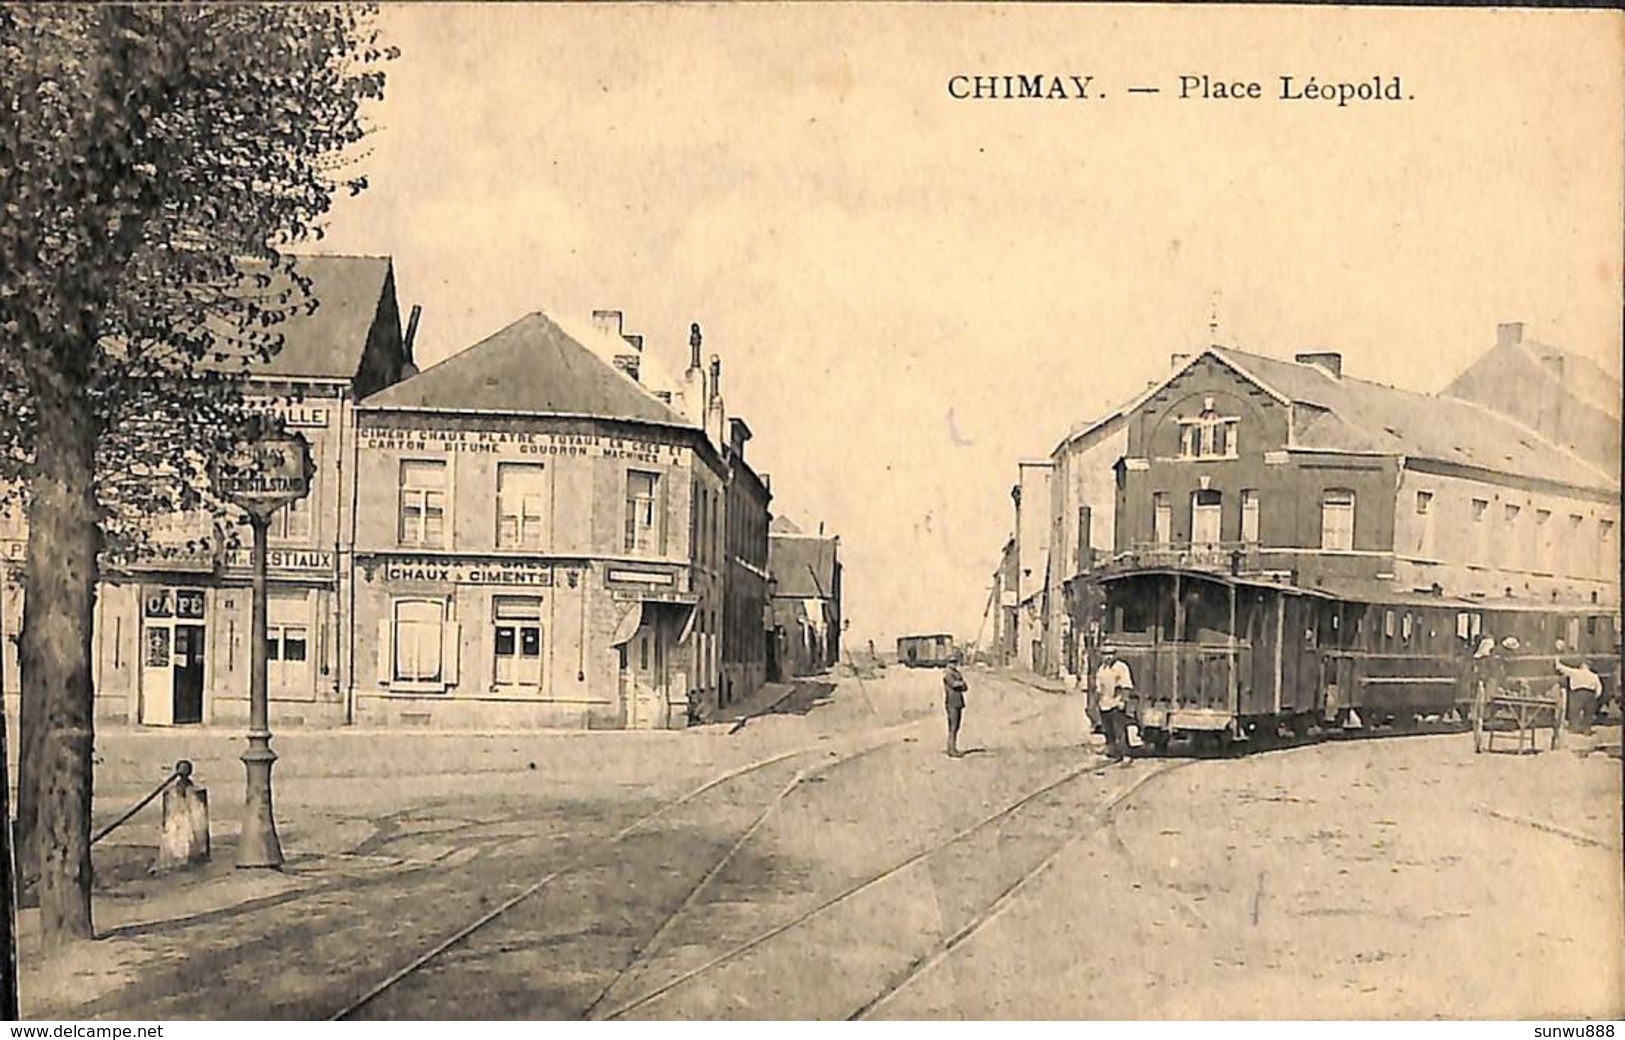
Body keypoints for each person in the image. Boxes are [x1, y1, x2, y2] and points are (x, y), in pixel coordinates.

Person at [1095, 645, 1134, 765]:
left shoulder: (1121, 667)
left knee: (1119, 730)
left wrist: (1123, 700)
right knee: (1108, 729)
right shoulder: (1102, 669)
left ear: (1115, 655)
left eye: (1110, 654)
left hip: (1116, 702)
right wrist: (1096, 702)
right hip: (1104, 703)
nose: (1108, 657)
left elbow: (1126, 686)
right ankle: (1113, 752)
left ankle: (1126, 755)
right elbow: (1098, 688)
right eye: (1105, 654)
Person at [1553, 646, 1601, 736]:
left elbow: (1561, 668)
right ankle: (1586, 729)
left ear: (1582, 666)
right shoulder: (1594, 675)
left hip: (1577, 693)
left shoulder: (1576, 672)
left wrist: (1557, 660)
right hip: (1590, 694)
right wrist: (1595, 696)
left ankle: (1574, 727)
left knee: (1574, 711)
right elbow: (1599, 687)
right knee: (1588, 713)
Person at [943, 661, 968, 757]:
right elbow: (954, 684)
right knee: (952, 726)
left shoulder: (957, 673)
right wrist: (961, 683)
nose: (954, 664)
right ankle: (951, 749)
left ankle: (953, 747)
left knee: (957, 726)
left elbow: (965, 687)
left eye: (955, 662)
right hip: (951, 702)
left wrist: (961, 684)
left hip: (958, 701)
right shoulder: (948, 673)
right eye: (951, 662)